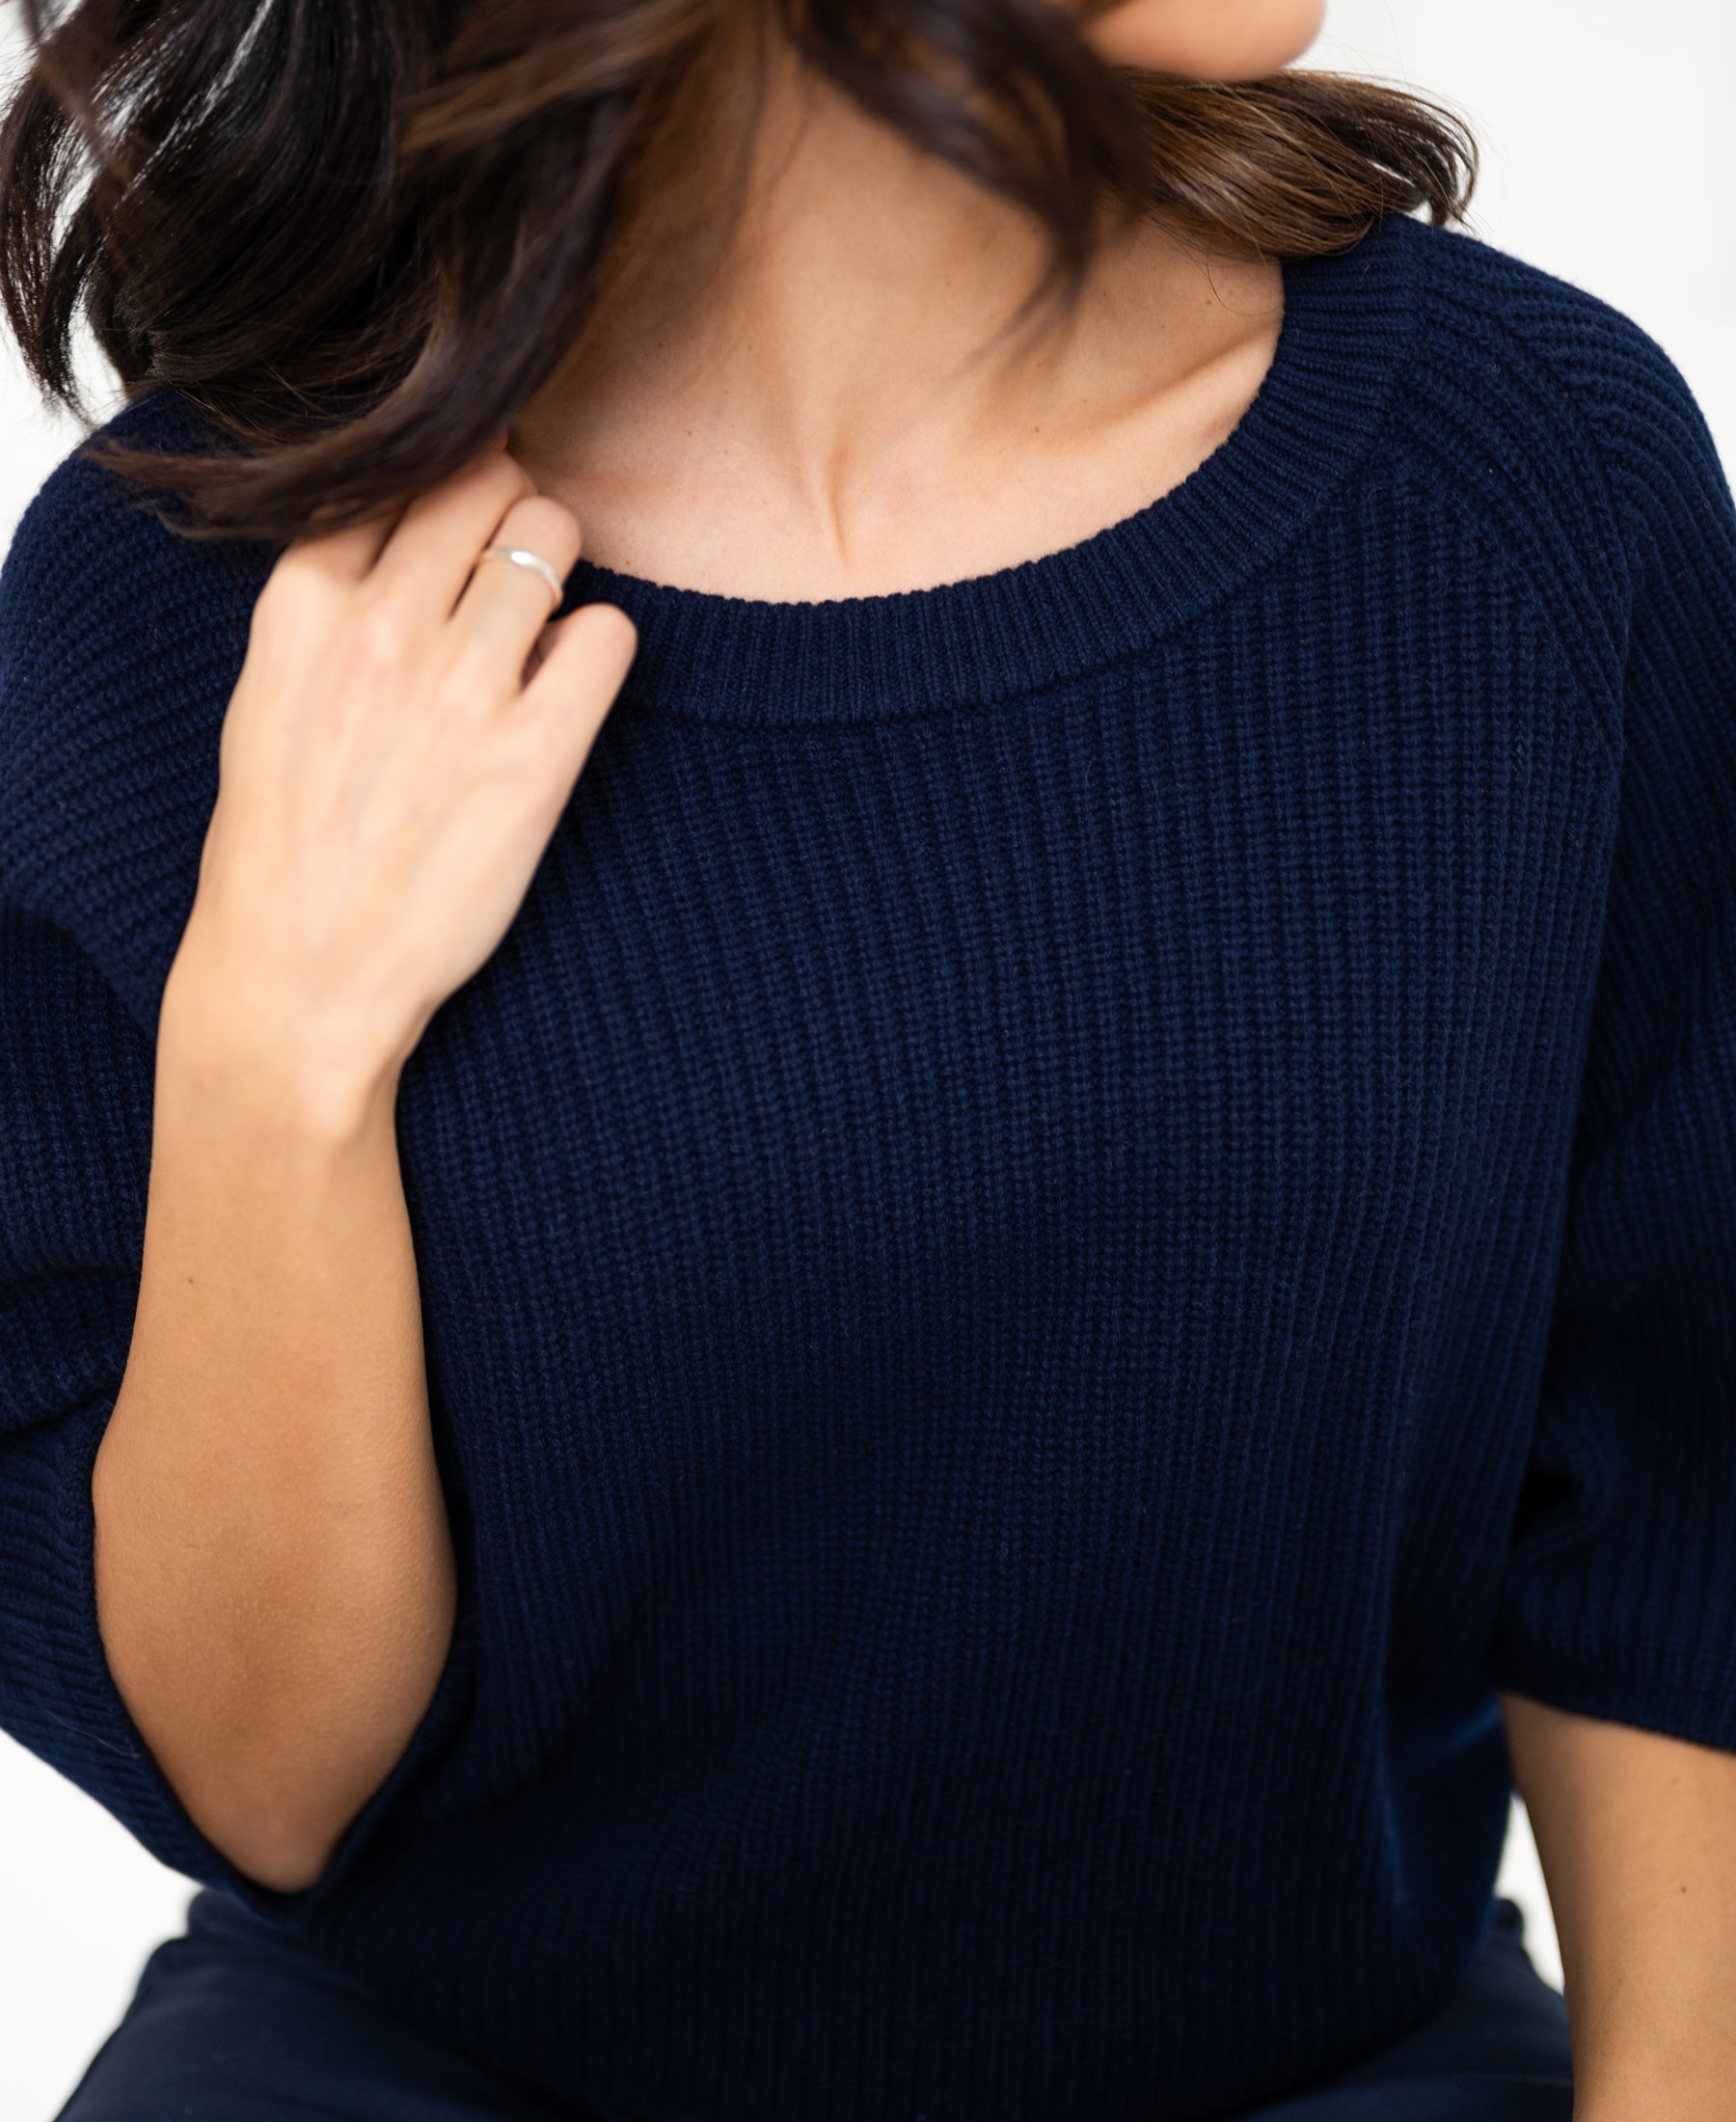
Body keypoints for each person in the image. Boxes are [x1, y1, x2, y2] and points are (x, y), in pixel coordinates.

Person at [0, 0, 1731, 2112]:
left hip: (1326, 2069)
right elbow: (265, 1784)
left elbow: (1676, 1499)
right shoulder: (200, 589)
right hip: (431, 2075)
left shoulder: (1530, 486)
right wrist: (278, 1049)